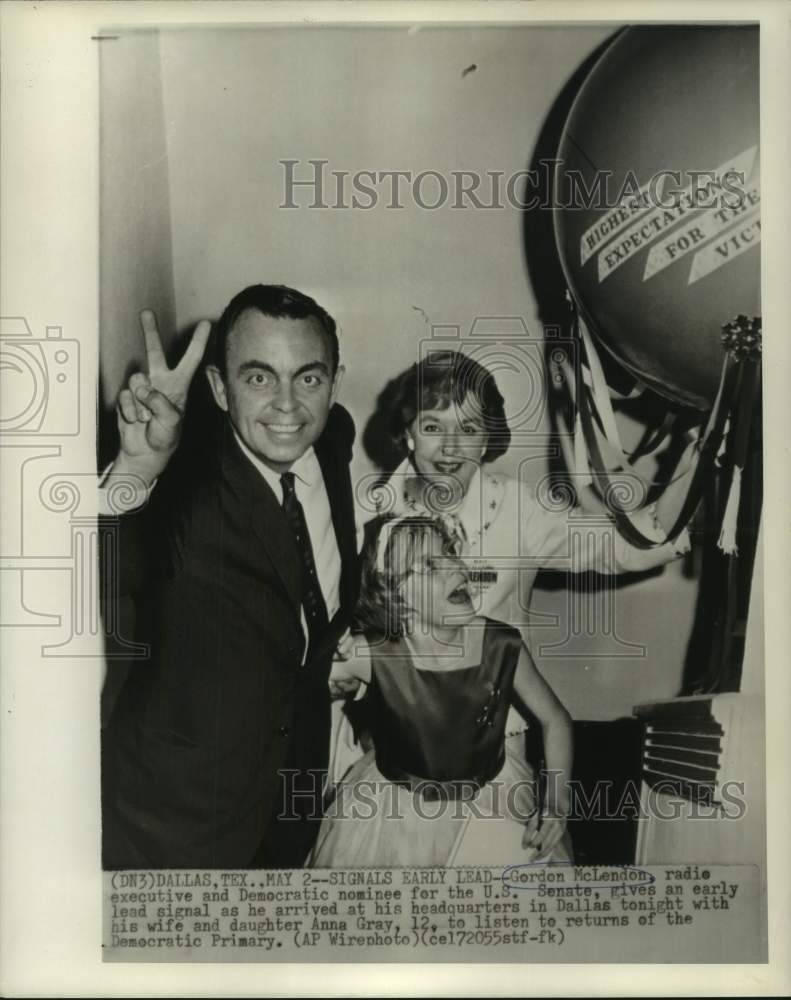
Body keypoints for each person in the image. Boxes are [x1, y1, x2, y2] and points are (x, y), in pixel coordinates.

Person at [329, 348, 694, 776]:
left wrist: (693, 469)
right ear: (409, 433)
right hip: (391, 753)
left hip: (497, 750)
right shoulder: (361, 516)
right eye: (432, 426)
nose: (450, 447)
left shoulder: (519, 509)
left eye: (468, 428)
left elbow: (629, 545)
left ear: (486, 440)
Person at [100, 284, 359, 869]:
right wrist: (138, 469)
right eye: (259, 378)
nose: (288, 407)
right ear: (219, 388)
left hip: (294, 794)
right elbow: (99, 575)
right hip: (180, 815)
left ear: (335, 384)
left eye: (309, 379)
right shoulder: (187, 485)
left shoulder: (334, 438)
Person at [310, 515, 573, 868]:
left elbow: (556, 720)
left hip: (494, 796)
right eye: (430, 565)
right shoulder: (371, 654)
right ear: (394, 592)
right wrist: (327, 655)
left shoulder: (501, 644)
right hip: (393, 815)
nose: (454, 567)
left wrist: (555, 804)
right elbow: (291, 684)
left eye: (450, 553)